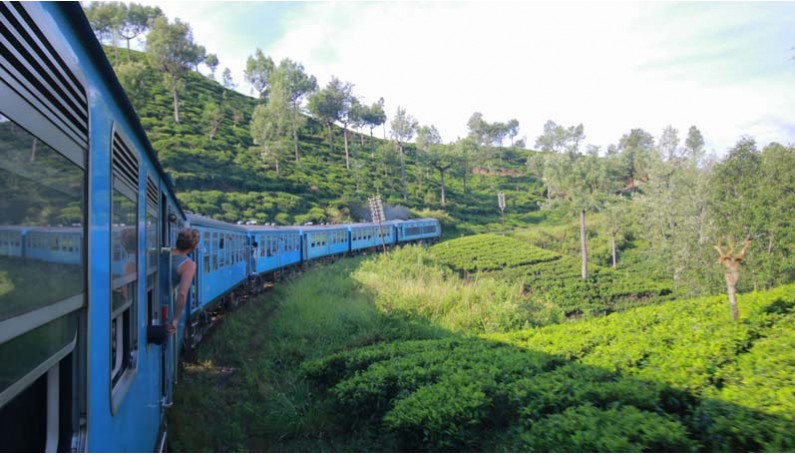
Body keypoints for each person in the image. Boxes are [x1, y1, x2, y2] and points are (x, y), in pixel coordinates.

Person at [167, 228, 199, 335]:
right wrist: (176, 319)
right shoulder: (188, 264)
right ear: (194, 245)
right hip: (166, 307)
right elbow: (182, 293)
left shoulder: (162, 254)